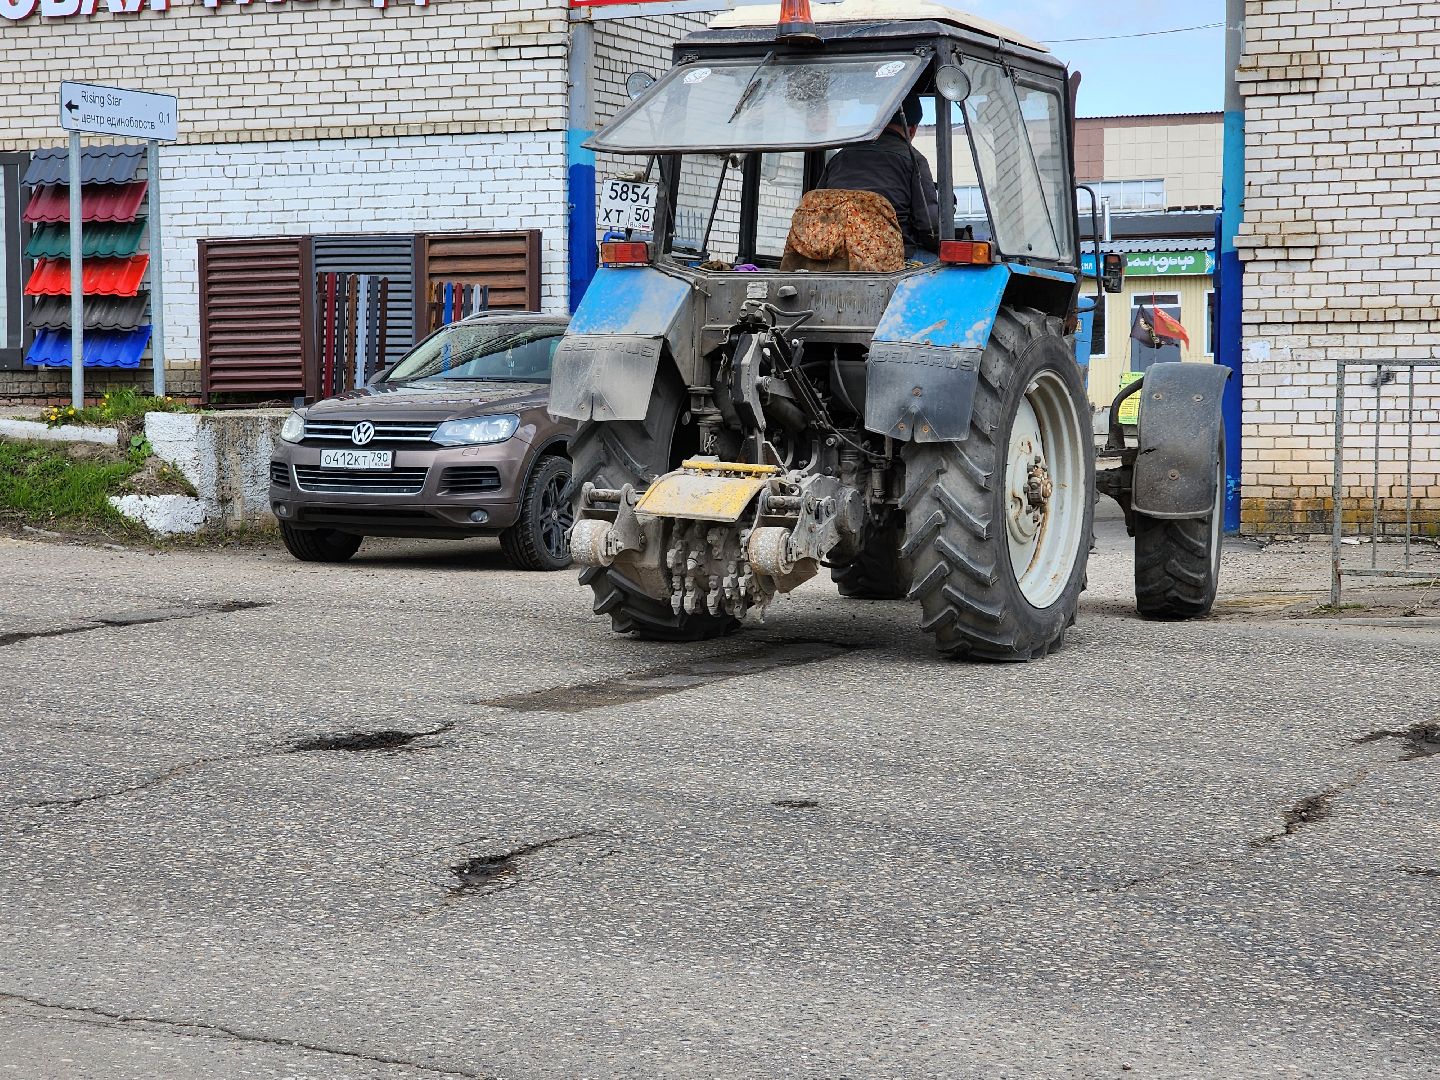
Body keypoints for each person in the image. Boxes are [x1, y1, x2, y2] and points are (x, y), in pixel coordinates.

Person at [816, 93, 941, 260]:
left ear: (879, 123)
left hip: (837, 255)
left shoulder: (839, 157)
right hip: (890, 258)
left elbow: (816, 206)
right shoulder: (914, 161)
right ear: (912, 129)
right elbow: (929, 226)